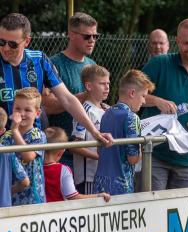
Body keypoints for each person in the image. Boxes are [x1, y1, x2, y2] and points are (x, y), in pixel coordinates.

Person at [0, 13, 112, 144]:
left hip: (33, 145)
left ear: (27, 41)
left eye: (13, 44)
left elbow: (67, 99)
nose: (6, 48)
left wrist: (94, 132)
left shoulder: (39, 60)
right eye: (1, 42)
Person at [141, 18, 188, 191]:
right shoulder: (160, 64)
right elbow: (132, 95)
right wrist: (157, 101)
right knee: (153, 212)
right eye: (185, 43)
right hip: (155, 154)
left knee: (180, 216)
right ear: (177, 42)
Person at [44, 12, 99, 168]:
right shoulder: (53, 64)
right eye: (87, 36)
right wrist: (83, 96)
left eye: (96, 36)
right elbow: (46, 106)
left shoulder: (92, 64)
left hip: (89, 150)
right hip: (62, 152)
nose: (92, 41)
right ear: (72, 35)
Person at [94, 70, 154, 195]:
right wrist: (144, 147)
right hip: (121, 185)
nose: (143, 101)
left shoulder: (106, 113)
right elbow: (133, 159)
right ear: (132, 93)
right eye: (143, 96)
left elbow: (100, 150)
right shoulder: (132, 117)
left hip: (100, 183)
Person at [0, 88, 47, 205]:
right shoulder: (6, 137)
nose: (21, 114)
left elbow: (28, 156)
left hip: (33, 198)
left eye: (27, 110)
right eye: (17, 109)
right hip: (11, 197)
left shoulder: (38, 135)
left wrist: (15, 130)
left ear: (37, 113)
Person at [70, 65, 110, 194]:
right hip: (89, 177)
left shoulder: (107, 109)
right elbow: (74, 146)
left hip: (105, 174)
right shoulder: (84, 111)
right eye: (102, 84)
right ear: (89, 86)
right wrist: (100, 157)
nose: (107, 87)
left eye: (108, 83)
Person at [43, 127, 110, 202]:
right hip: (60, 211)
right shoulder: (63, 170)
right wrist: (98, 196)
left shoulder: (35, 167)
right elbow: (73, 197)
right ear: (61, 152)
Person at [0, 106, 29, 208]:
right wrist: (6, 192)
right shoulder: (8, 152)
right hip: (4, 205)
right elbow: (25, 181)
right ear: (2, 131)